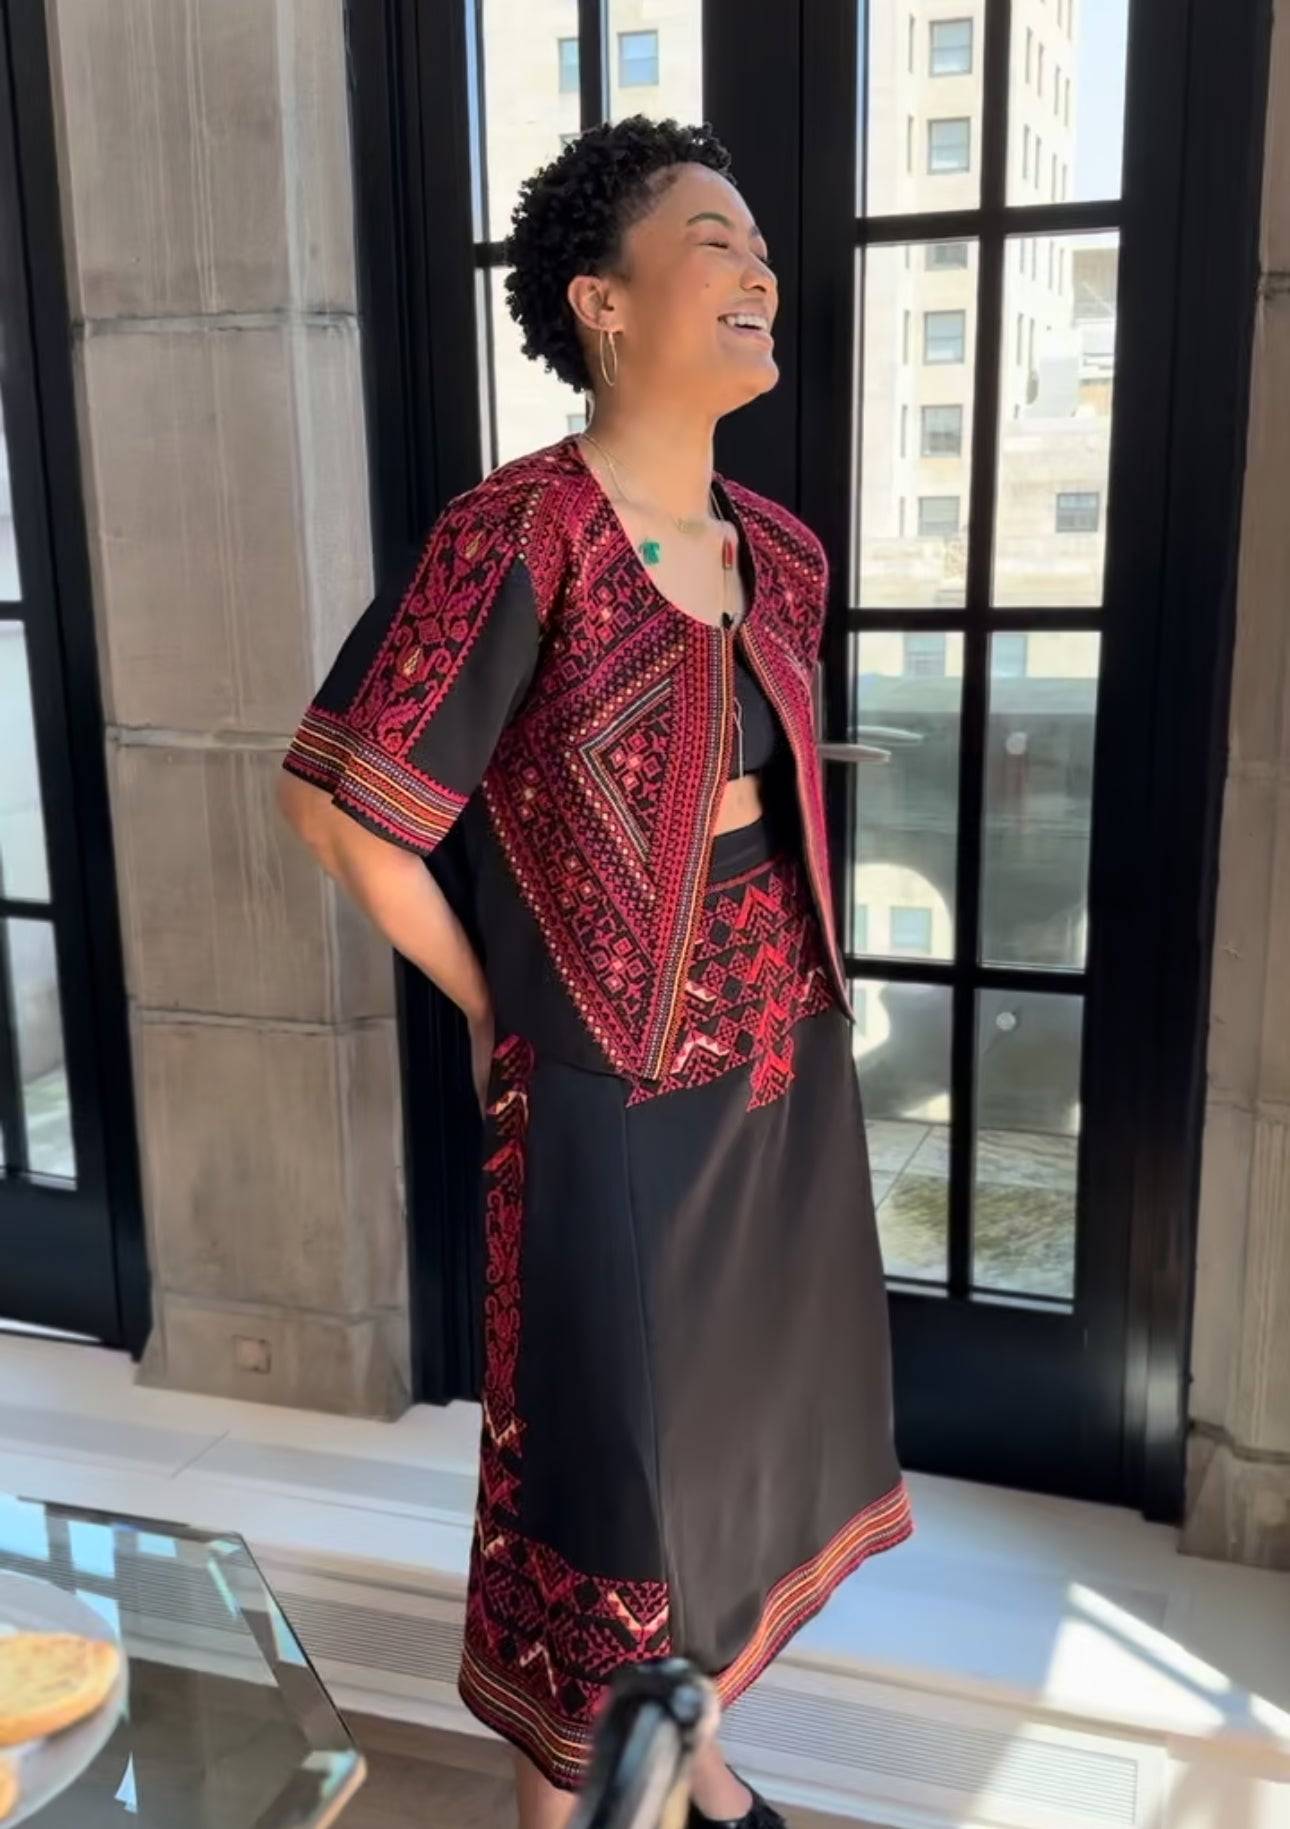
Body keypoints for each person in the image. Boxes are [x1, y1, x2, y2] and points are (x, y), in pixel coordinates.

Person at [278, 114, 914, 1829]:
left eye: (758, 245)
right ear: (602, 301)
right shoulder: (520, 532)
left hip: (776, 1062)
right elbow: (338, 805)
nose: (757, 268)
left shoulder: (780, 550)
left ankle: (694, 1757)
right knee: (602, 1487)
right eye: (714, 241)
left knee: (733, 1457)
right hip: (609, 1091)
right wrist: (498, 1000)